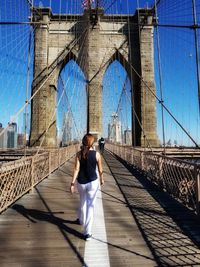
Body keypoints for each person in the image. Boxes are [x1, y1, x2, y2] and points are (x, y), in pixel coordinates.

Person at [70, 133, 104, 241]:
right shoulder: (97, 154)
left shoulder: (79, 154)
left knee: (82, 202)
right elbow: (100, 170)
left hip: (81, 183)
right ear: (92, 143)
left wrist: (72, 183)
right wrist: (102, 179)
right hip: (93, 183)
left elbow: (76, 169)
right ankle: (87, 232)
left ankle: (81, 220)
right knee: (90, 207)